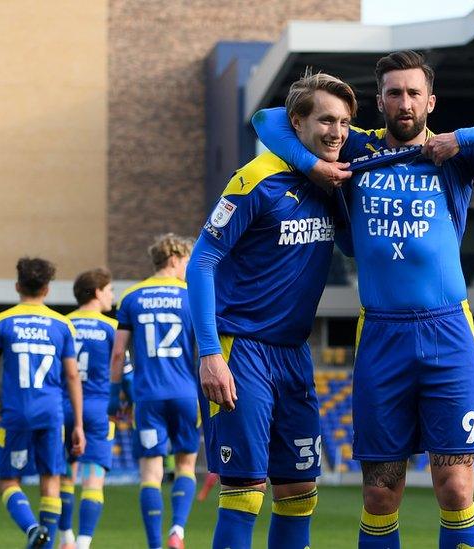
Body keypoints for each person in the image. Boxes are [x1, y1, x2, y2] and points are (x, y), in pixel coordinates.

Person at [253, 50, 474, 548]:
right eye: (394, 92)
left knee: (456, 488)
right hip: (382, 335)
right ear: (380, 100)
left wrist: (464, 138)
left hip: (447, 333)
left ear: (430, 101)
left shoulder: (456, 156)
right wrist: (312, 166)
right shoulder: (356, 147)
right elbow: (266, 120)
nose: (404, 101)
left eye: (414, 92)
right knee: (378, 497)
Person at [188, 71, 356, 549]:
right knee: (245, 487)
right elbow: (202, 261)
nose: (336, 133)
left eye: (344, 123)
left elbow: (348, 244)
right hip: (240, 347)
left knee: (300, 487)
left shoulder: (333, 181)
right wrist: (209, 353)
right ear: (296, 123)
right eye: (325, 120)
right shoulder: (255, 179)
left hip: (293, 352)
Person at [0, 257, 85, 548]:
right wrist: (78, 424)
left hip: (17, 414)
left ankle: (32, 528)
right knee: (51, 480)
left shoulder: (2, 322)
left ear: (18, 285)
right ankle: (43, 540)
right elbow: (72, 376)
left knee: (8, 481)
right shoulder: (62, 325)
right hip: (52, 414)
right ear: (47, 288)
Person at [114, 234, 199, 549]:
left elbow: (117, 354)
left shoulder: (131, 296)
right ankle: (177, 530)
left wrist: (116, 395)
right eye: (187, 262)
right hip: (186, 393)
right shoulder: (192, 295)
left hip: (147, 396)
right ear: (175, 259)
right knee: (185, 465)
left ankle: (154, 545)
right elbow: (206, 348)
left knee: (151, 473)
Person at [57, 268, 119, 549]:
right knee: (93, 481)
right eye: (109, 290)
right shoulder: (111, 328)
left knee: (65, 476)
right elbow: (122, 369)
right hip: (97, 410)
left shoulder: (62, 324)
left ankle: (65, 538)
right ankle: (83, 544)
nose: (112, 296)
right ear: (97, 292)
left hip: (62, 408)